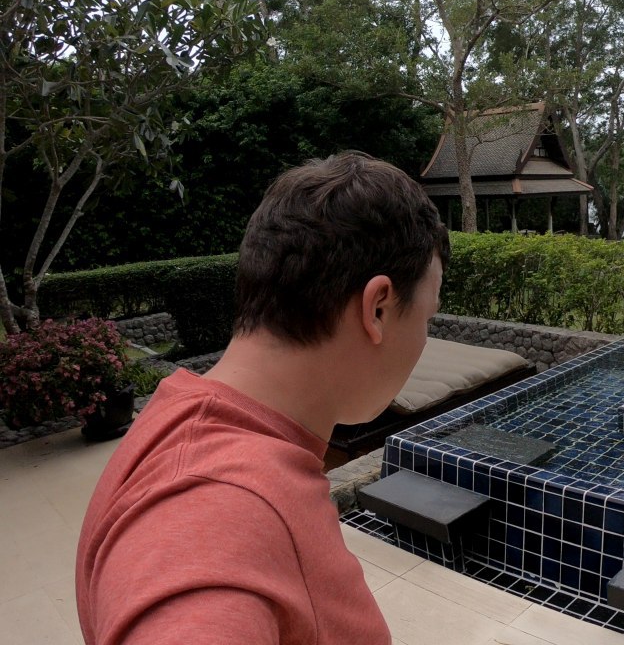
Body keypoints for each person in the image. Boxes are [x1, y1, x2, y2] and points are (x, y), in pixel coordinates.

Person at [76, 152, 450, 644]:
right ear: (377, 308)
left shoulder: (182, 422)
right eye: (428, 316)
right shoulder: (218, 511)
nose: (425, 339)